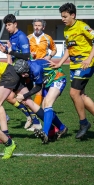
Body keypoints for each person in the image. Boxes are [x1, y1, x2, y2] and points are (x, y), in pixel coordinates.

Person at [49, 3, 94, 139]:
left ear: (73, 15)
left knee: (74, 93)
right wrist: (59, 63)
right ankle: (84, 123)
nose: (63, 19)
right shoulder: (66, 30)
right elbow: (69, 49)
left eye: (65, 16)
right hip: (74, 66)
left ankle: (83, 123)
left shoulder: (82, 26)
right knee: (81, 96)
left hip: (85, 64)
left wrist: (88, 59)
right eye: (61, 16)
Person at [0, 14, 41, 131]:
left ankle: (37, 121)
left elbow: (27, 56)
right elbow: (14, 53)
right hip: (17, 70)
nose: (7, 27)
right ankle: (33, 119)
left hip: (24, 72)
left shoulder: (21, 36)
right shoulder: (11, 36)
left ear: (15, 24)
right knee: (14, 97)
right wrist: (7, 51)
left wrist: (10, 52)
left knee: (23, 99)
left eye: (9, 25)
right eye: (6, 25)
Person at [14, 59, 68, 144]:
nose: (23, 75)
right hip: (48, 82)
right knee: (45, 109)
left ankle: (45, 133)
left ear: (27, 68)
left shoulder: (36, 69)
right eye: (21, 74)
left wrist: (24, 96)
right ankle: (62, 128)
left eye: (24, 73)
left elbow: (38, 87)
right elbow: (30, 83)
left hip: (58, 78)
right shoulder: (26, 68)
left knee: (47, 104)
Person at [28, 19, 57, 106]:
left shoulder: (48, 38)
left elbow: (54, 49)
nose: (37, 27)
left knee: (44, 88)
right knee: (38, 88)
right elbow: (23, 50)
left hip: (45, 65)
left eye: (39, 25)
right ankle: (36, 111)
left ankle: (42, 109)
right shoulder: (28, 38)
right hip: (33, 66)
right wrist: (29, 54)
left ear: (43, 27)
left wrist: (50, 56)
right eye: (35, 25)